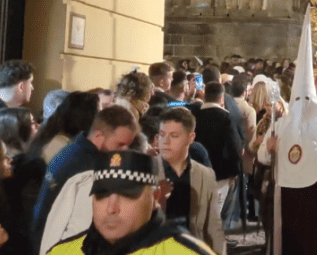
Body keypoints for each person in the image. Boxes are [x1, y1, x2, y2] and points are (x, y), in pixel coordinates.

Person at [257, 32, 317, 254]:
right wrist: (269, 148)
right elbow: (263, 157)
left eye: (307, 100)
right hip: (286, 192)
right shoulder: (280, 125)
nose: (302, 105)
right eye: (298, 99)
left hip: (314, 191)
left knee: (313, 240)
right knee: (288, 241)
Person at [46, 150, 217, 254]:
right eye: (102, 195)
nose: (111, 209)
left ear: (155, 197)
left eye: (127, 195)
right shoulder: (62, 252)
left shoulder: (185, 253)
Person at [33, 106, 139, 252]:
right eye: (120, 144)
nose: (124, 151)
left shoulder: (70, 150)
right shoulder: (90, 172)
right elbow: (80, 230)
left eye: (128, 145)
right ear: (99, 137)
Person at [157, 107, 226, 254]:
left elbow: (213, 226)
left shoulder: (205, 175)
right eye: (162, 135)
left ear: (191, 138)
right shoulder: (146, 170)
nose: (165, 141)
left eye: (174, 135)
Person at [191, 81, 242, 233]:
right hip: (220, 173)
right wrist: (235, 172)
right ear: (221, 98)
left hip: (197, 171)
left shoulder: (195, 115)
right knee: (216, 211)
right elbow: (234, 146)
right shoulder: (226, 117)